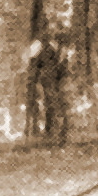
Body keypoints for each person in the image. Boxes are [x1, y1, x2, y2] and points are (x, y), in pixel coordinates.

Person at [27, 16, 73, 145]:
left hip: (58, 80)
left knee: (60, 105)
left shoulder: (60, 47)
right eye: (51, 29)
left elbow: (64, 66)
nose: (54, 33)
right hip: (46, 80)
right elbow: (34, 63)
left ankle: (60, 135)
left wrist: (63, 62)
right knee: (49, 105)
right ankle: (50, 134)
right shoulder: (40, 45)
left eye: (57, 30)